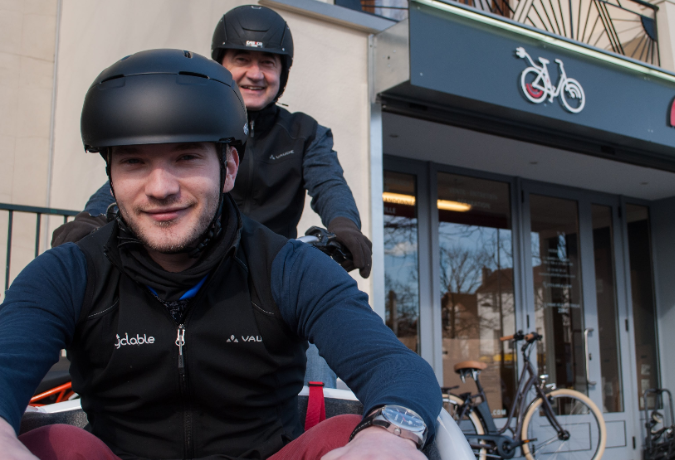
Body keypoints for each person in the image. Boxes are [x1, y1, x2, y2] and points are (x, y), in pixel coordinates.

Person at [0, 50, 440, 460]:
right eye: (134, 162)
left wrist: (388, 434)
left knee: (342, 432)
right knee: (58, 442)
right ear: (111, 177)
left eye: (186, 158)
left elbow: (392, 365)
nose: (160, 188)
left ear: (228, 168)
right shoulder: (67, 273)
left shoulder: (289, 268)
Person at [52, 4, 373, 279]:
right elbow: (139, 167)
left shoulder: (306, 132)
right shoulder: (190, 116)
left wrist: (344, 225)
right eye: (242, 60)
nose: (255, 74)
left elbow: (329, 183)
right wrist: (91, 217)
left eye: (267, 63)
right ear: (221, 67)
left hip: (274, 267)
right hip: (199, 267)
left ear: (283, 73)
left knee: (321, 331)